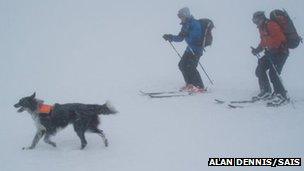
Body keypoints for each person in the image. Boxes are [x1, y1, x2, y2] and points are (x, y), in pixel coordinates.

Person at [163, 7, 205, 93]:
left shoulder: (195, 23)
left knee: (191, 67)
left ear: (185, 15)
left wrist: (187, 34)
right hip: (189, 49)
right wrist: (170, 37)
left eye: (181, 16)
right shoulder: (185, 25)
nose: (180, 18)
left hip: (196, 50)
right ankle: (189, 84)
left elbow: (196, 38)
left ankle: (200, 86)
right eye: (179, 16)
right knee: (182, 65)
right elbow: (180, 38)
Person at [251, 11, 289, 102]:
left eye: (256, 20)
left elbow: (279, 38)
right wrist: (257, 49)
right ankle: (266, 91)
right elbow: (264, 41)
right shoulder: (261, 27)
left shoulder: (271, 24)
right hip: (271, 53)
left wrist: (271, 48)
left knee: (273, 73)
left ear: (261, 18)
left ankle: (281, 95)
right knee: (260, 69)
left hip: (281, 52)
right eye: (254, 21)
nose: (255, 23)